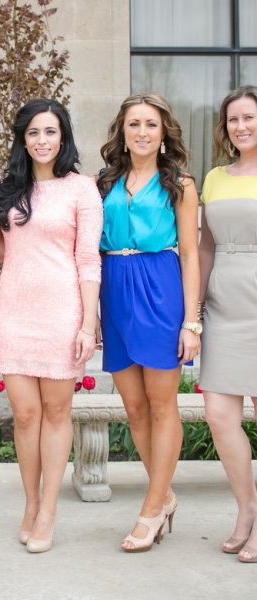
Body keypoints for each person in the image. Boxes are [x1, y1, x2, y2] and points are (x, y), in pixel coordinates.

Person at [0, 99, 102, 553]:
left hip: (62, 312)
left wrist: (87, 323)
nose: (42, 140)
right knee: (25, 415)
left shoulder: (82, 189)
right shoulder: (7, 190)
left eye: (50, 131)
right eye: (33, 132)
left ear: (63, 137)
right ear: (23, 138)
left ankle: (49, 510)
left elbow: (88, 259)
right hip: (14, 312)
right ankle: (30, 503)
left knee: (56, 413)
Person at [97, 93, 201, 552]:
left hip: (160, 290)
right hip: (115, 291)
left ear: (163, 134)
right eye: (134, 124)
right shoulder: (104, 182)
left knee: (162, 407)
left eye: (151, 125)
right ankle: (165, 495)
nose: (142, 132)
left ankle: (152, 508)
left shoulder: (179, 183)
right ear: (122, 131)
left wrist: (191, 322)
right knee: (135, 408)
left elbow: (191, 255)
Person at [199, 85, 257, 564]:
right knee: (219, 415)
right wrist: (193, 309)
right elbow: (205, 246)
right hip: (222, 305)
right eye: (234, 119)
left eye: (250, 117)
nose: (241, 127)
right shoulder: (214, 178)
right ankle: (247, 508)